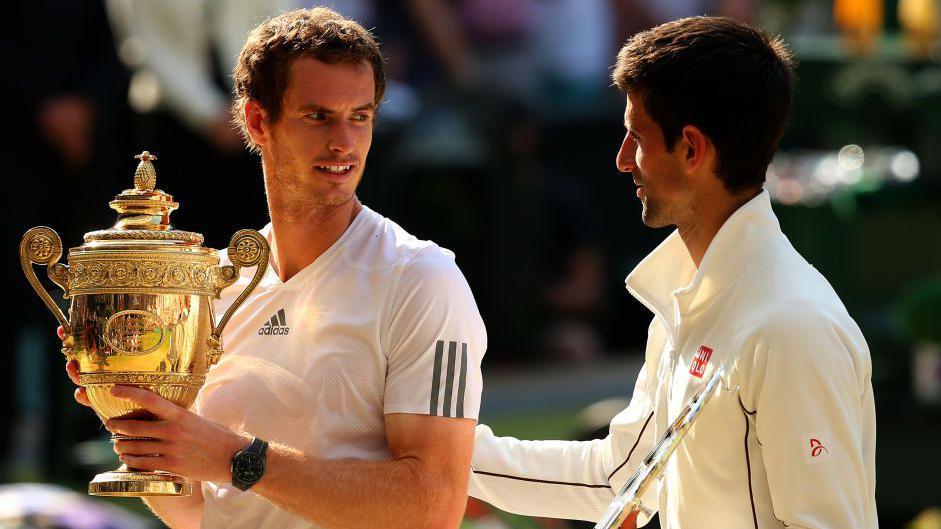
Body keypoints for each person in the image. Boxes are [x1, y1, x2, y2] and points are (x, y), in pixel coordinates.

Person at [62, 7, 486, 529]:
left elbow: (433, 505)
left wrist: (235, 459)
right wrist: (137, 415)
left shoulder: (423, 279)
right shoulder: (211, 287)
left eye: (360, 116)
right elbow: (204, 512)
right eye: (318, 116)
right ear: (259, 121)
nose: (344, 143)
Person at [468, 16, 877, 529]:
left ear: (690, 148)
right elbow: (616, 479)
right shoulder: (690, 300)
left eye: (635, 137)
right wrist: (443, 450)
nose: (621, 161)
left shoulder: (791, 328)